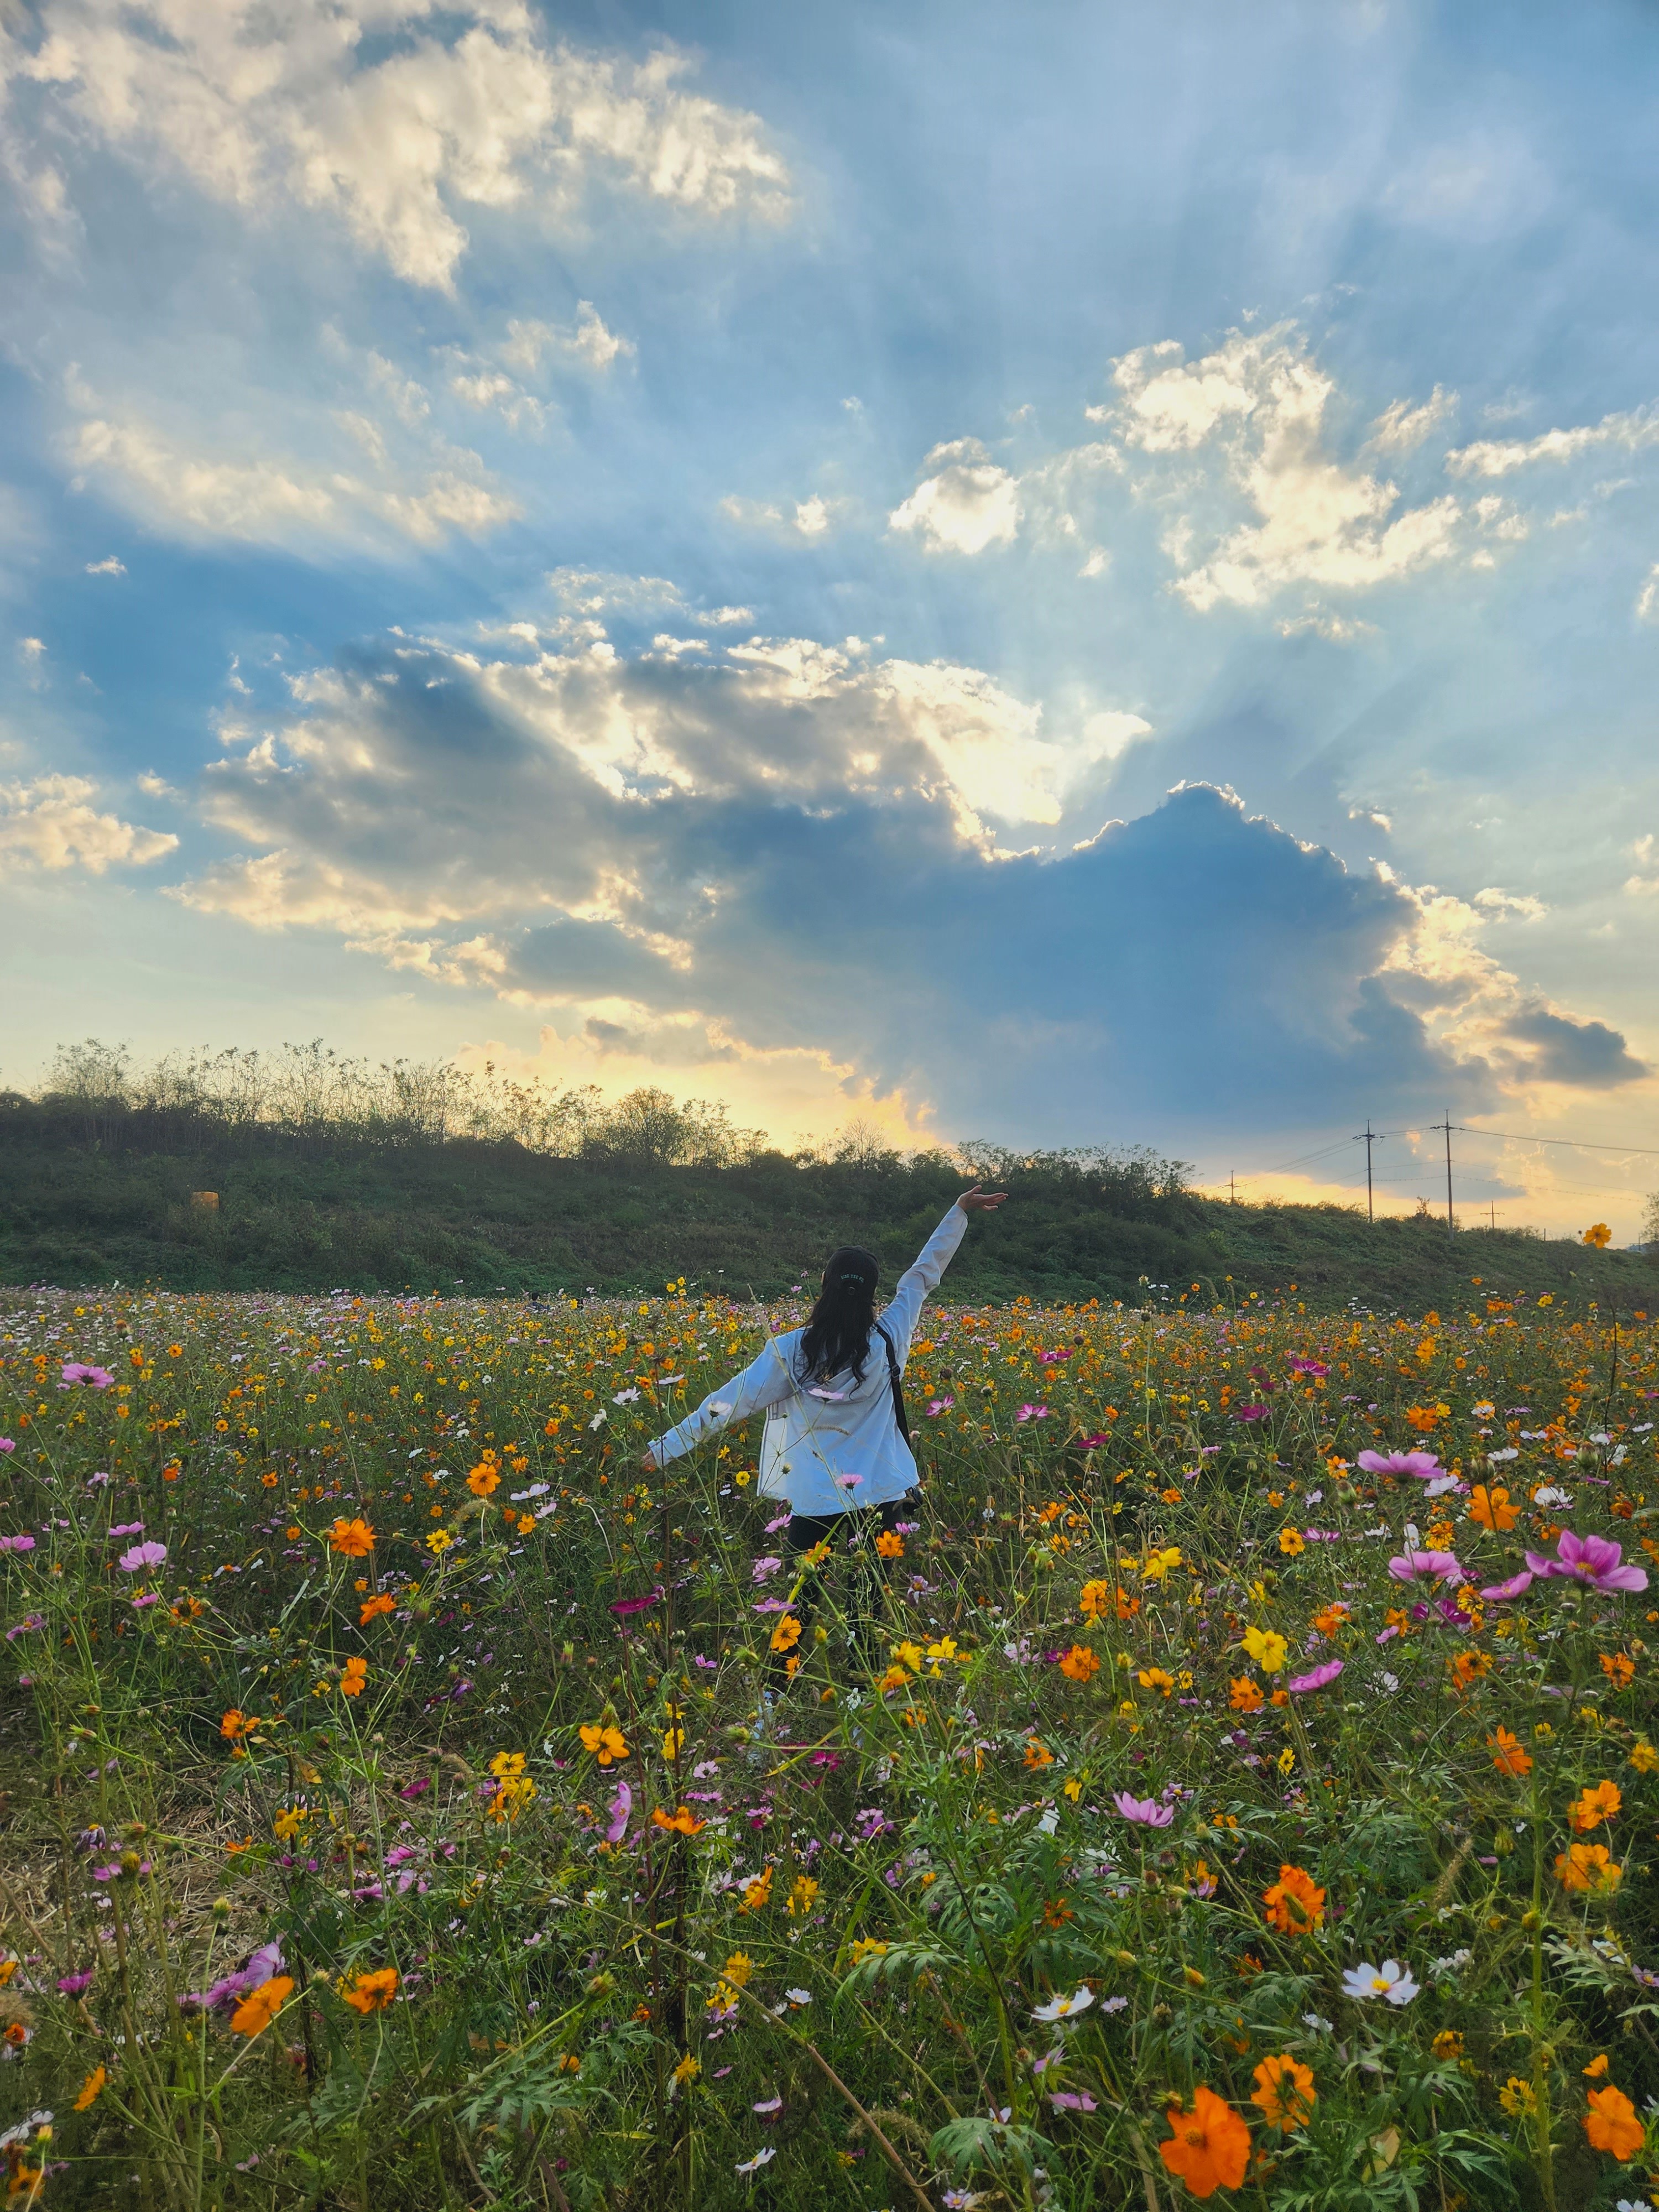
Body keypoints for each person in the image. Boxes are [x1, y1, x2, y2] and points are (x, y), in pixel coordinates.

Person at [641, 1185, 1008, 1666]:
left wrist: (665, 1449)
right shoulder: (889, 1339)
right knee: (866, 1608)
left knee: (796, 1607)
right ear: (873, 1294)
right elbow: (921, 1277)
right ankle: (862, 1689)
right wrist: (957, 1213)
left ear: (823, 1283)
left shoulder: (792, 1350)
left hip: (816, 1499)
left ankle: (775, 1696)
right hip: (880, 1495)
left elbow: (728, 1403)